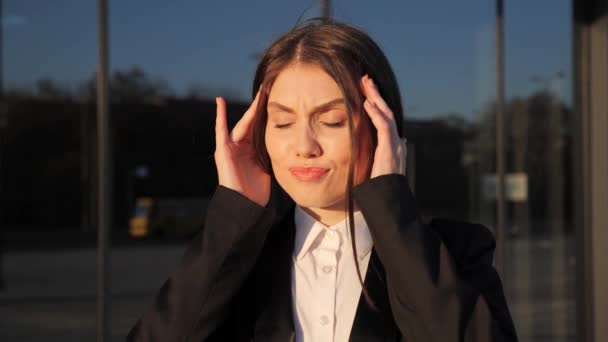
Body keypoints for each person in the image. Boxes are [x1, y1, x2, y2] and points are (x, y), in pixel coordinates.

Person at [128, 19, 518, 342]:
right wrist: (232, 212)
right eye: (281, 123)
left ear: (384, 128)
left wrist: (391, 209)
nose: (303, 146)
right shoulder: (240, 260)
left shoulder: (455, 253)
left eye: (332, 121)